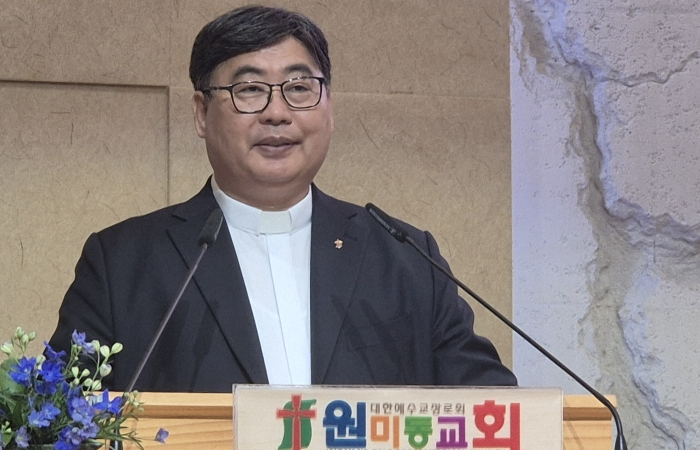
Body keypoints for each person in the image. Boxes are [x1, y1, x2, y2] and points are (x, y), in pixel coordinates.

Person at [49, 5, 516, 392]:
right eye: (250, 89)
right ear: (201, 113)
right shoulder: (123, 263)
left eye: (298, 89)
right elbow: (61, 422)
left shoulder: (406, 259)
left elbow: (495, 410)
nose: (277, 113)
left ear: (328, 107)